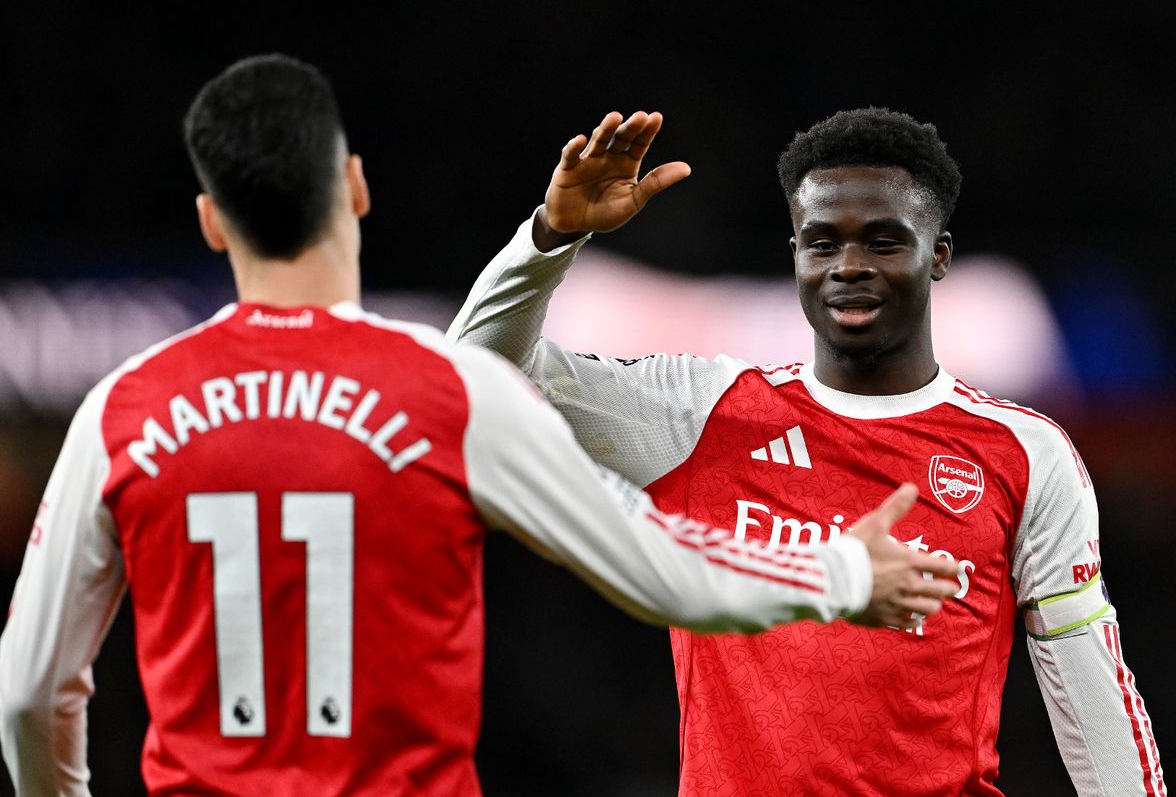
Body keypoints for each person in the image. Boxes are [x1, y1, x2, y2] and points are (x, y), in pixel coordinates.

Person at [0, 58, 958, 797]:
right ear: (357, 186)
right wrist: (840, 570)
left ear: (211, 221)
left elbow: (31, 693)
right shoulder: (446, 393)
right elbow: (661, 570)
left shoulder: (125, 408)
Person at [448, 108, 1165, 796]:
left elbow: (1089, 685)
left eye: (883, 241)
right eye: (823, 242)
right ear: (795, 255)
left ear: (937, 254)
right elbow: (471, 379)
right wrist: (548, 240)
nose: (848, 265)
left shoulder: (1024, 453)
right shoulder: (701, 412)